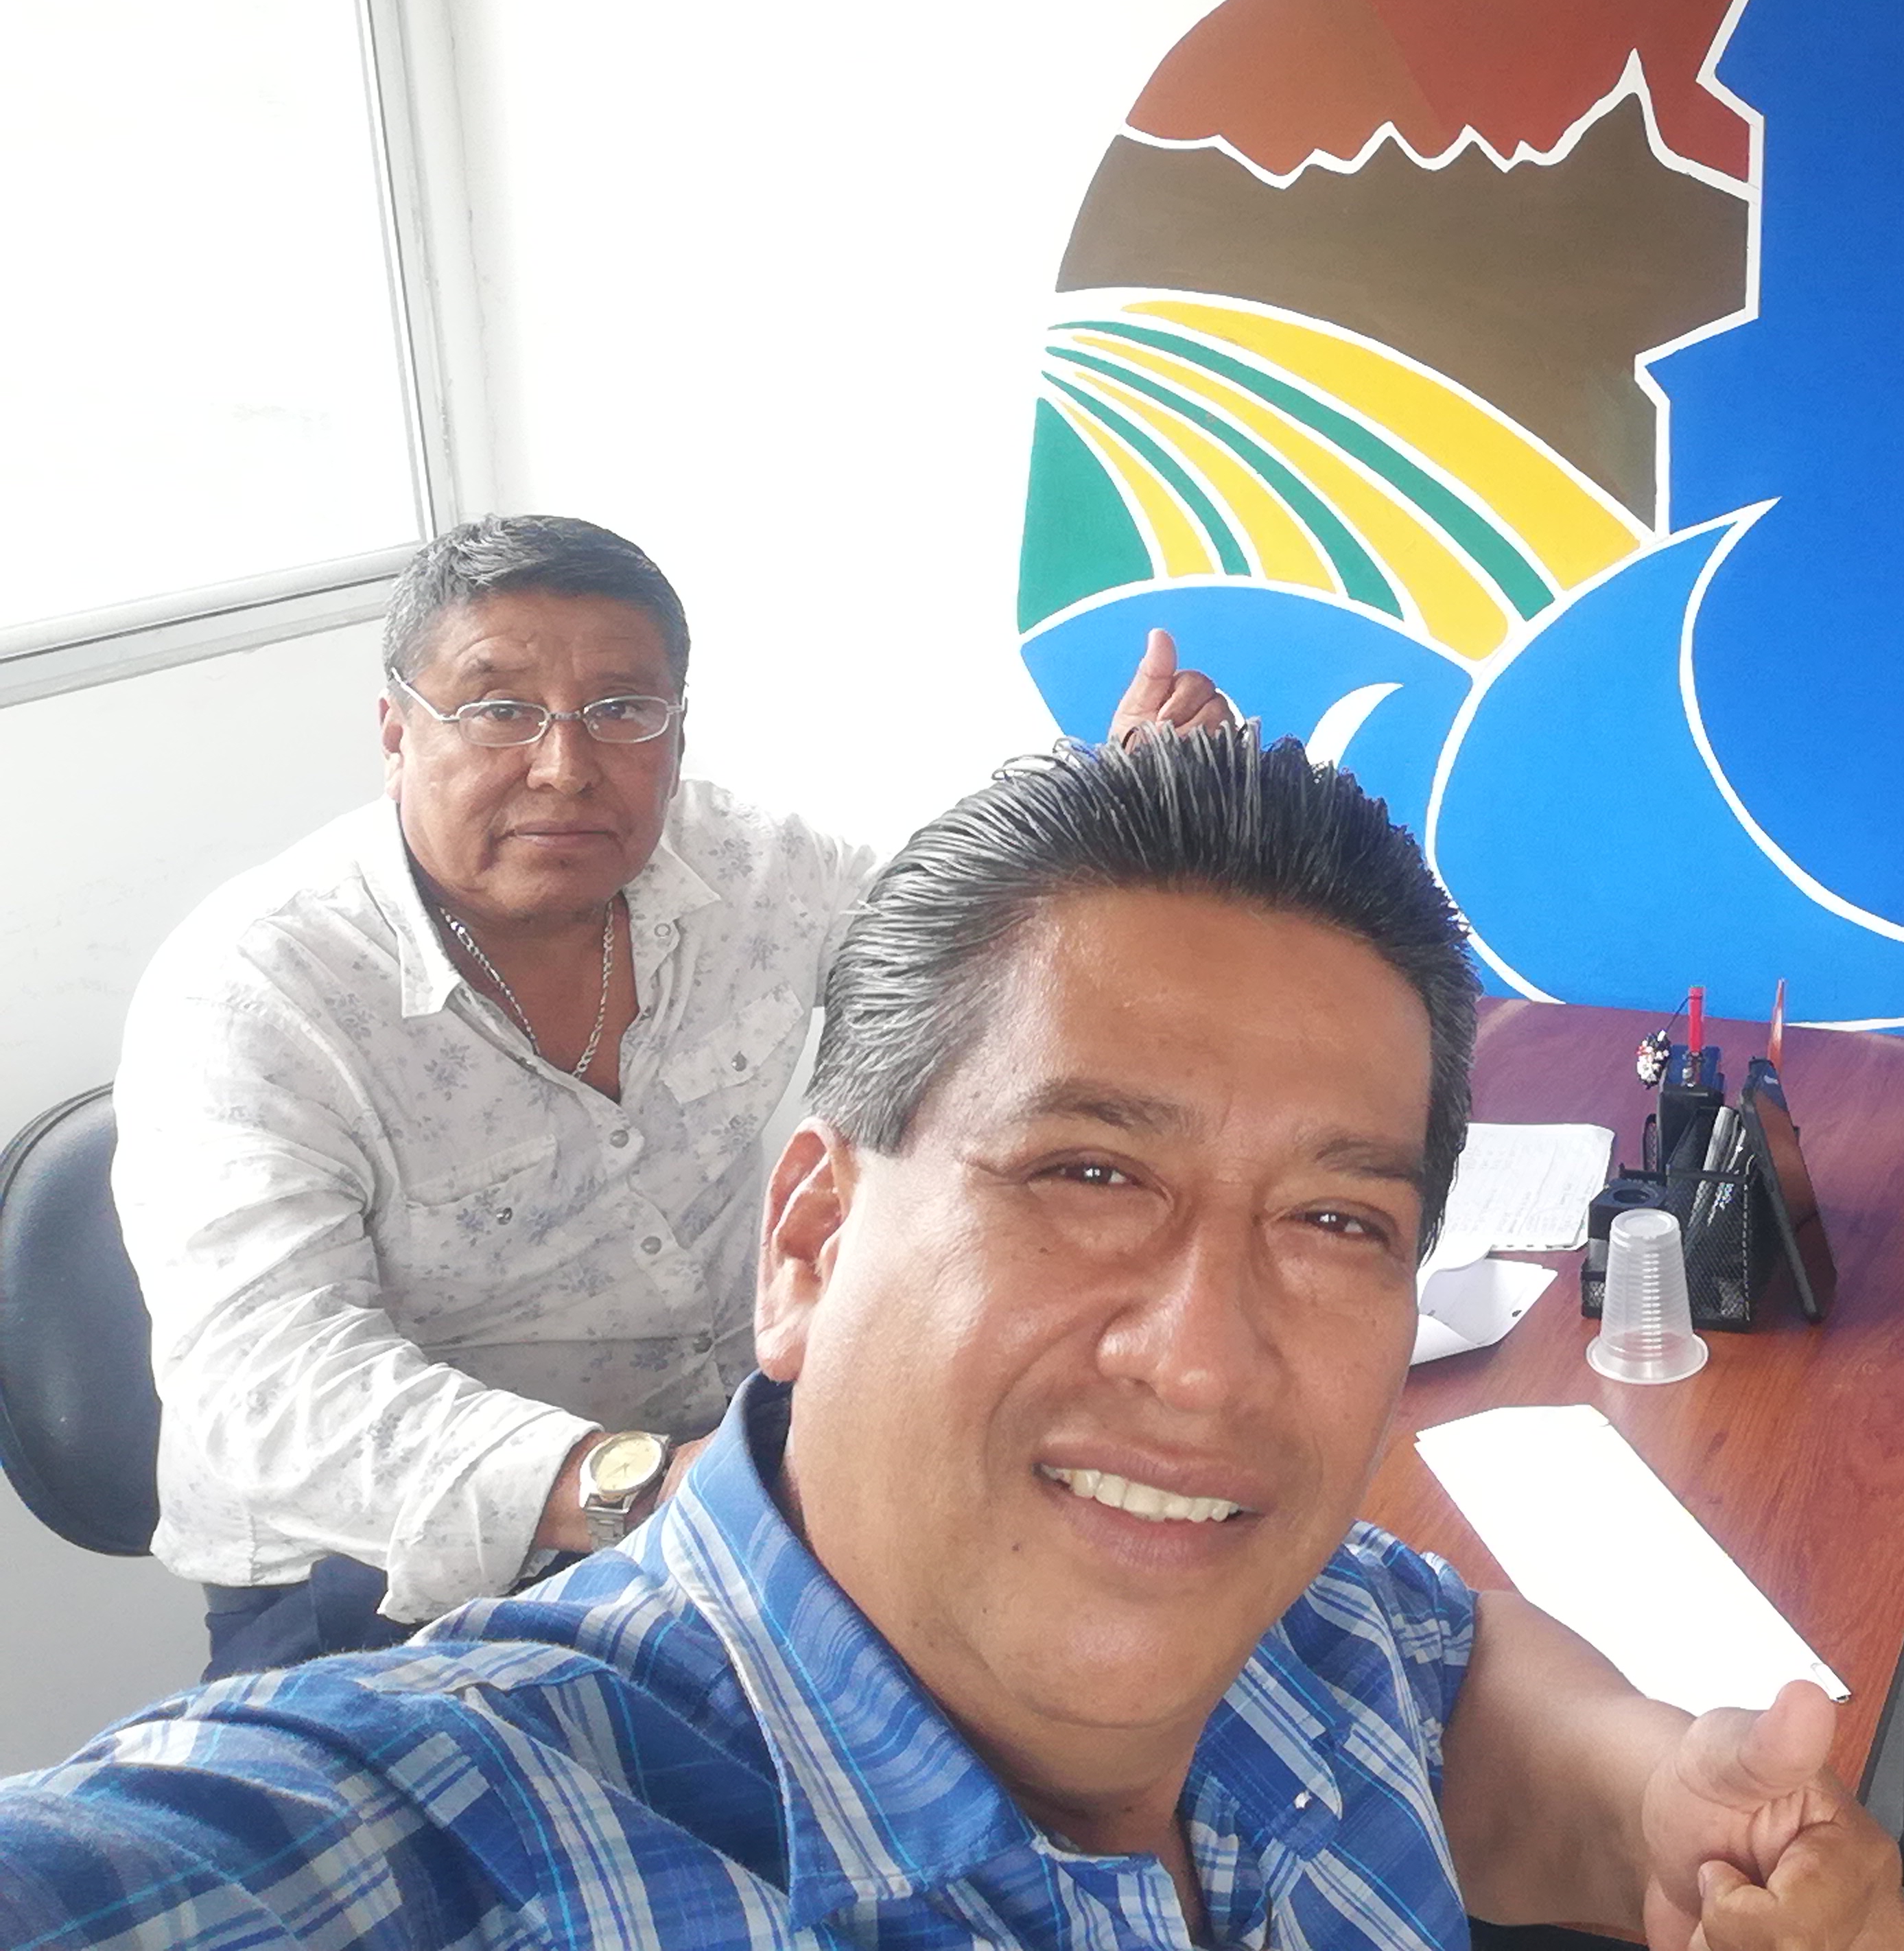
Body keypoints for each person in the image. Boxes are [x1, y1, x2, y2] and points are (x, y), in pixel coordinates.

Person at [3, 729, 1904, 1951]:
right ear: (814, 1240)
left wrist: (1645, 1807)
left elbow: (1441, 1670)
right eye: (1088, 1173)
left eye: (1337, 1222)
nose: (1206, 1365)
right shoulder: (444, 1833)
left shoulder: (1270, 1605)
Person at [110, 514, 1232, 1676]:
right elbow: (264, 1389)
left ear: (677, 731)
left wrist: (1110, 816)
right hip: (376, 1578)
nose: (564, 765)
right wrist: (645, 1487)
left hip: (719, 1480)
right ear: (397, 734)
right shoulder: (254, 993)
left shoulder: (743, 867)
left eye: (621, 710)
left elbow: (962, 958)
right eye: (498, 710)